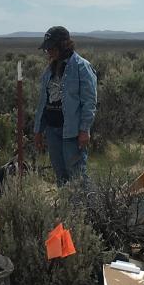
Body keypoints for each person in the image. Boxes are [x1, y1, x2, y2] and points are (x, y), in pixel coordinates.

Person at [32, 26, 98, 186]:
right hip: (52, 129)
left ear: (63, 45)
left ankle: (84, 209)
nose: (49, 51)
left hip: (72, 133)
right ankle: (67, 209)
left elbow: (89, 102)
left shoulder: (82, 67)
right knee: (60, 174)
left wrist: (84, 130)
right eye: (47, 48)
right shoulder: (50, 70)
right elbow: (43, 102)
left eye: (52, 47)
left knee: (77, 175)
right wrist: (38, 130)